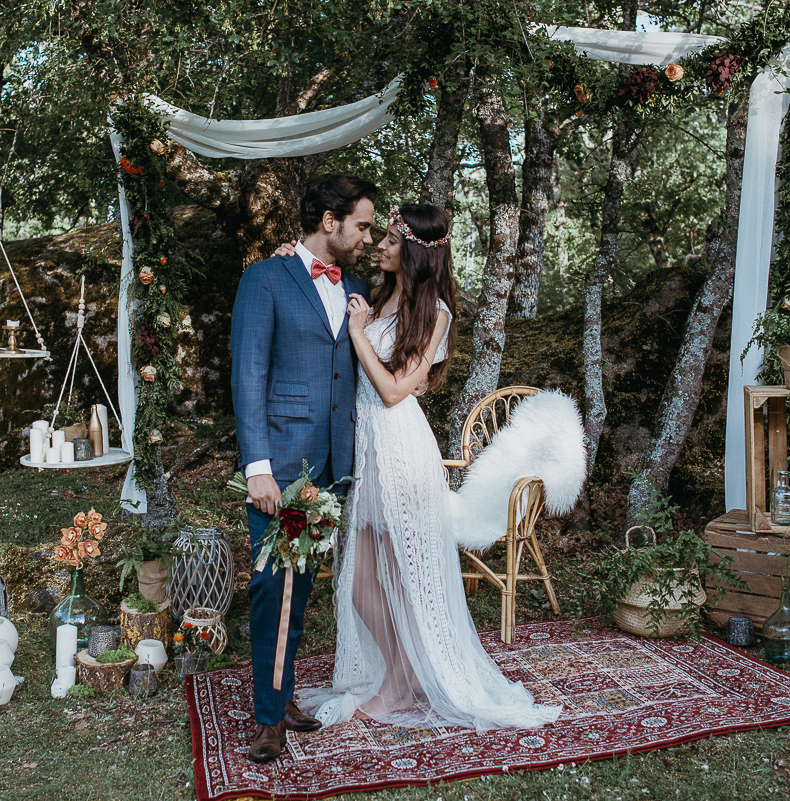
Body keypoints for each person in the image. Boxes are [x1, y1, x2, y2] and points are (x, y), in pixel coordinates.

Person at [287, 204, 561, 733]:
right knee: (358, 577)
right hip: (364, 447)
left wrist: (360, 333)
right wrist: (291, 256)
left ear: (414, 252)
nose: (380, 245)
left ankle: (401, 682)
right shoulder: (378, 294)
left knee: (405, 574)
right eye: (383, 237)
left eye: (392, 240)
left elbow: (395, 391)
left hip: (400, 448)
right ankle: (400, 668)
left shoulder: (436, 313)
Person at [230, 173, 377, 763]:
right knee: (273, 588)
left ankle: (281, 694)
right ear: (329, 221)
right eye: (362, 225)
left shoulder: (357, 287)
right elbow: (248, 374)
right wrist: (257, 467)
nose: (367, 237)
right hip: (283, 465)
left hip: (334, 466)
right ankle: (269, 719)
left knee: (302, 587)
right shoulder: (265, 278)